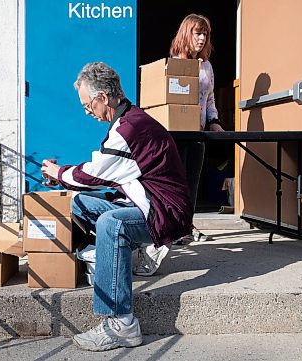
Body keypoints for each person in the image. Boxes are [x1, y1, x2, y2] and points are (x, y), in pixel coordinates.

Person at [41, 62, 192, 352]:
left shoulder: (130, 128)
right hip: (148, 201)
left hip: (165, 212)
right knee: (82, 203)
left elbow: (96, 174)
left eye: (88, 105)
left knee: (112, 224)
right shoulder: (129, 122)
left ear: (103, 97)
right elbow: (102, 175)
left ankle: (121, 324)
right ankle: (111, 260)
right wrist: (62, 178)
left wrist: (59, 173)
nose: (87, 112)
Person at [134, 14, 225, 277]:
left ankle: (186, 226)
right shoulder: (172, 66)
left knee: (192, 182)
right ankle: (162, 230)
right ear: (186, 34)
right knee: (171, 183)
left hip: (196, 132)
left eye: (205, 34)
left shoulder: (206, 67)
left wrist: (214, 121)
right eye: (197, 33)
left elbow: (209, 100)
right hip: (172, 134)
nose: (202, 38)